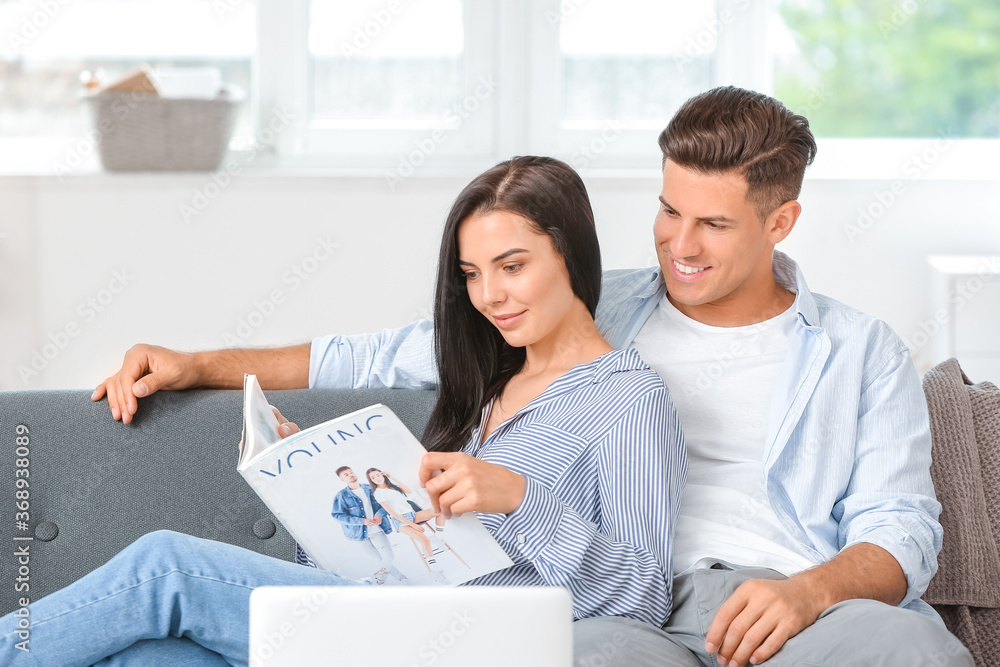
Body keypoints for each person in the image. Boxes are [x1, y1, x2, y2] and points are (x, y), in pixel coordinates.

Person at [88, 85, 974, 666]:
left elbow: (902, 528)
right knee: (591, 651)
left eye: (713, 224)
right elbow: (384, 353)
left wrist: (808, 590)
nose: (680, 244)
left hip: (781, 597)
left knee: (915, 649)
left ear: (781, 222)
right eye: (668, 210)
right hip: (626, 603)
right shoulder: (599, 304)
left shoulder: (859, 350)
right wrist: (200, 363)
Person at [1, 156, 685, 666]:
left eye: (512, 266)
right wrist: (311, 479)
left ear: (570, 253)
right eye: (472, 275)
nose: (490, 296)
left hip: (465, 637)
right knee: (145, 657)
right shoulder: (487, 374)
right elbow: (356, 368)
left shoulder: (630, 400)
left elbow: (644, 594)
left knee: (166, 566)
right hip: (373, 614)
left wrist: (520, 497)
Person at [327, 465, 408, 584]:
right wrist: (361, 521)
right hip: (358, 534)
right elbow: (337, 515)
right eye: (346, 475)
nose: (350, 475)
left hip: (376, 530)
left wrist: (379, 514)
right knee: (379, 559)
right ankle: (402, 578)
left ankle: (380, 578)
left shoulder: (371, 488)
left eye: (351, 472)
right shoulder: (341, 496)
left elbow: (388, 504)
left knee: (388, 557)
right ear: (342, 479)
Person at [365, 467, 447, 569]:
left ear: (383, 475)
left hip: (412, 514)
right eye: (373, 478)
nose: (377, 478)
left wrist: (392, 477)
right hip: (400, 521)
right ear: (371, 481)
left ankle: (437, 537)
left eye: (378, 475)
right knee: (425, 540)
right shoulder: (378, 493)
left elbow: (409, 491)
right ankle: (436, 570)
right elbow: (393, 513)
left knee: (440, 511)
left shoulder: (393, 487)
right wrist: (412, 525)